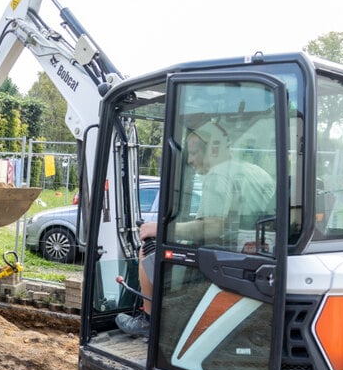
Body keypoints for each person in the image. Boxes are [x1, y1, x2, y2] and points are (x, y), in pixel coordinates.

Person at [116, 121, 275, 339]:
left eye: (193, 153)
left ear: (214, 149)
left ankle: (149, 321)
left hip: (219, 263)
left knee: (149, 250)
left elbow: (212, 227)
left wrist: (162, 229)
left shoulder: (218, 175)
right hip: (251, 258)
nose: (190, 160)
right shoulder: (257, 172)